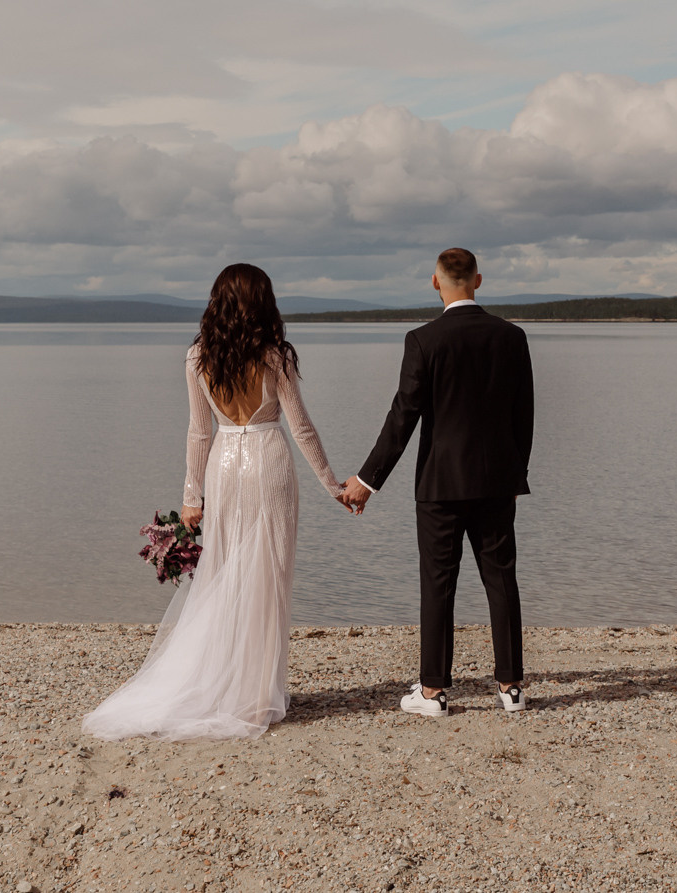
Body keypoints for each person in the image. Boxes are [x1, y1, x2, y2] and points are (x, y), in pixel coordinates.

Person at [83, 262, 347, 740]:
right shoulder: (276, 356)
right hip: (268, 462)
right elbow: (302, 428)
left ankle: (228, 687)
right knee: (268, 575)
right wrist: (333, 485)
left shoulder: (197, 357)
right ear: (262, 301)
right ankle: (257, 695)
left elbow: (198, 432)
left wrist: (192, 497)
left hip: (224, 465)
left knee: (226, 574)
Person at [340, 246, 535, 717]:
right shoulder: (511, 337)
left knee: (438, 584)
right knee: (501, 579)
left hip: (440, 485)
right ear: (478, 280)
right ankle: (511, 689)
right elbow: (524, 414)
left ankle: (433, 692)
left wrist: (367, 480)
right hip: (496, 482)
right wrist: (516, 474)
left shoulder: (423, 340)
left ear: (435, 282)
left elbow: (403, 416)